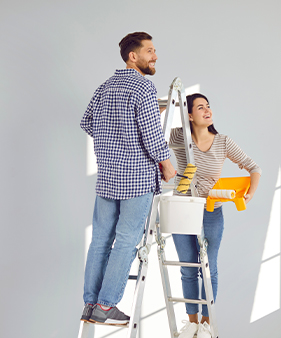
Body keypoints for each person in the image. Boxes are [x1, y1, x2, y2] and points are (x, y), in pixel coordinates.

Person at [80, 32, 176, 326]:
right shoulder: (143, 87)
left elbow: (87, 122)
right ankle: (107, 307)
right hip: (136, 180)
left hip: (108, 178)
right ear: (133, 56)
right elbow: (150, 135)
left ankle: (90, 305)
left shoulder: (105, 87)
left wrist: (115, 141)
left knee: (100, 241)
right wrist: (167, 164)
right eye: (150, 51)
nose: (155, 56)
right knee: (126, 242)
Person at [169, 93, 262, 338]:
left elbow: (254, 167)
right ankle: (192, 323)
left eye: (208, 106)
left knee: (208, 267)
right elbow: (152, 133)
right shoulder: (179, 136)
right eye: (200, 107)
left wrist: (249, 194)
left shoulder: (223, 142)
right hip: (182, 207)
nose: (207, 110)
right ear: (189, 115)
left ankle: (207, 322)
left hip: (211, 211)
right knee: (188, 267)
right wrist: (170, 105)